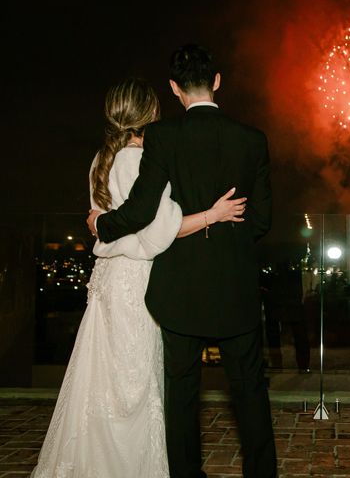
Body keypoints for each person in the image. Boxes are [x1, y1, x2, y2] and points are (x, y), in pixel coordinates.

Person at [31, 77, 246, 477]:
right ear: (148, 114)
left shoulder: (101, 157)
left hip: (108, 281)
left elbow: (114, 221)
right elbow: (160, 229)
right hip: (135, 282)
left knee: (102, 379)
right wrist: (212, 216)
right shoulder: (135, 161)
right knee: (134, 384)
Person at [87, 44, 276, 478]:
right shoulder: (253, 140)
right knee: (249, 391)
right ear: (218, 80)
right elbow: (261, 221)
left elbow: (139, 212)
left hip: (178, 289)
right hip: (235, 288)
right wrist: (224, 236)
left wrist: (101, 227)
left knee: (182, 393)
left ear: (174, 88)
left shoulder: (162, 137)